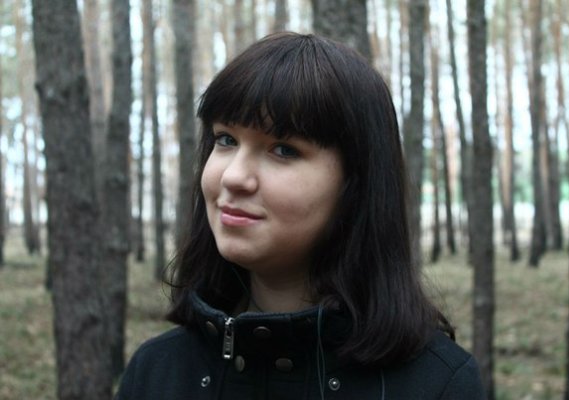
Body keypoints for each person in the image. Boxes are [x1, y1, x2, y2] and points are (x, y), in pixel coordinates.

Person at [116, 32, 485, 400]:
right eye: (226, 139)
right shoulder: (156, 373)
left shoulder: (438, 385)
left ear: (357, 183)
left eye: (283, 149)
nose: (233, 177)